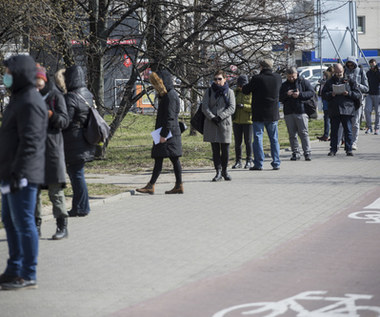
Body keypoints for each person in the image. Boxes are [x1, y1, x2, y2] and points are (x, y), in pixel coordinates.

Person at [0, 55, 48, 290]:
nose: (5, 75)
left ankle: (28, 273)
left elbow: (31, 142)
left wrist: (18, 173)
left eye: (8, 71)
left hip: (23, 174)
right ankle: (13, 269)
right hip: (10, 173)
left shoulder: (31, 101)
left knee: (24, 223)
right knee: (10, 221)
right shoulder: (19, 98)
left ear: (19, 73)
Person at [34, 64, 70, 240]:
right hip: (34, 152)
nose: (36, 85)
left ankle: (62, 226)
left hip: (52, 149)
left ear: (44, 79)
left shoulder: (55, 96)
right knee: (34, 192)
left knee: (55, 191)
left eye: (38, 82)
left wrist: (51, 115)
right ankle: (36, 227)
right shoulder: (29, 97)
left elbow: (64, 121)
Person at [136, 70, 183, 194]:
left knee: (171, 158)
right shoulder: (167, 95)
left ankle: (154, 185)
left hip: (167, 133)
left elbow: (170, 117)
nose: (155, 87)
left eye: (157, 84)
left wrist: (163, 135)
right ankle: (173, 185)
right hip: (166, 132)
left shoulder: (170, 96)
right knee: (163, 158)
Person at [62, 65, 95, 217]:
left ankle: (81, 208)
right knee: (78, 175)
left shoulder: (71, 97)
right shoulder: (87, 93)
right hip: (84, 139)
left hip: (74, 141)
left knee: (76, 176)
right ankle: (80, 206)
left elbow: (66, 121)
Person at [242, 59, 282, 170]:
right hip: (273, 112)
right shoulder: (277, 78)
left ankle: (259, 163)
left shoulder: (257, 79)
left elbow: (246, 90)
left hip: (259, 113)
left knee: (258, 138)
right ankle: (276, 162)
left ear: (261, 67)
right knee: (274, 139)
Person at [202, 70, 236, 181]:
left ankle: (225, 171)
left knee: (225, 150)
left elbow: (232, 107)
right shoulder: (209, 91)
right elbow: (204, 106)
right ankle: (218, 172)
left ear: (225, 79)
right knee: (215, 150)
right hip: (212, 123)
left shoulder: (230, 92)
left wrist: (220, 116)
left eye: (220, 79)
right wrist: (212, 117)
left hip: (224, 124)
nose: (217, 81)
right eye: (215, 79)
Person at [322, 63, 361, 156]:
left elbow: (358, 94)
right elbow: (323, 94)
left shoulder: (350, 80)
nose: (339, 74)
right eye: (336, 72)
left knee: (348, 130)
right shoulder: (330, 82)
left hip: (347, 108)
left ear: (343, 70)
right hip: (334, 109)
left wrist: (348, 93)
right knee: (334, 131)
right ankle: (333, 149)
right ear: (334, 72)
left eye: (340, 72)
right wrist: (331, 94)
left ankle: (349, 149)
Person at [280, 67, 313, 161]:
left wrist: (300, 95)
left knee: (303, 133)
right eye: (289, 77)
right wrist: (287, 94)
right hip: (289, 112)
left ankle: (307, 152)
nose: (291, 79)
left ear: (297, 74)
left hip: (301, 111)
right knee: (292, 134)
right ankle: (295, 152)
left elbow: (311, 93)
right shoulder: (284, 85)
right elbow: (280, 97)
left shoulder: (303, 82)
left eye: (293, 76)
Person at [344, 57, 369, 150]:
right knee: (345, 122)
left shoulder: (361, 72)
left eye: (352, 65)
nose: (350, 66)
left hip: (357, 100)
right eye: (348, 65)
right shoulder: (344, 71)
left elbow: (367, 88)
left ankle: (354, 142)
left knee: (355, 122)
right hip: (346, 100)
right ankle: (346, 141)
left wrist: (357, 85)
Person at [232, 75, 253, 169]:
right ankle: (238, 161)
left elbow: (254, 107)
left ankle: (249, 160)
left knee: (248, 142)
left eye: (242, 85)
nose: (240, 87)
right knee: (237, 142)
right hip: (237, 120)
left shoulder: (251, 93)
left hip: (248, 121)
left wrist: (243, 106)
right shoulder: (235, 93)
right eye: (239, 85)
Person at [317, 66, 333, 141]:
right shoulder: (330, 80)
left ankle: (327, 134)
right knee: (328, 118)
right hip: (326, 99)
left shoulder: (328, 81)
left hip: (327, 100)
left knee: (327, 118)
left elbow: (323, 83)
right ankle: (329, 134)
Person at [364, 59, 380, 135]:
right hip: (369, 94)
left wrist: (377, 70)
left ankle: (377, 128)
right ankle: (369, 127)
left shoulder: (378, 72)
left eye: (373, 64)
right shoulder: (368, 73)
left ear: (376, 64)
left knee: (378, 112)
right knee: (367, 110)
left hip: (378, 94)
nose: (372, 66)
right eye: (371, 64)